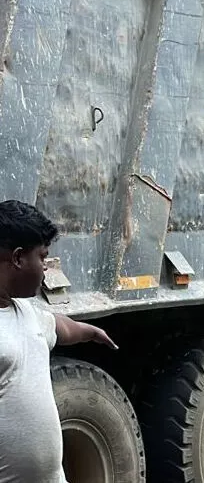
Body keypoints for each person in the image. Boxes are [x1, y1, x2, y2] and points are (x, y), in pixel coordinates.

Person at [0, 199, 117, 483]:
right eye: (42, 257)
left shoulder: (26, 312)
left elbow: (61, 327)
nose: (45, 269)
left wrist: (90, 331)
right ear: (18, 258)